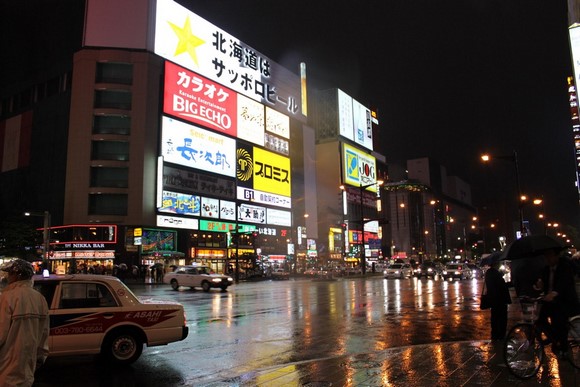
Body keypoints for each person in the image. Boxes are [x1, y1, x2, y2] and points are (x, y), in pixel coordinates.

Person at [0, 259, 49, 387]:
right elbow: (44, 331)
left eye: (10, 273)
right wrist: (41, 356)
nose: (8, 276)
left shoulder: (6, 298)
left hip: (6, 364)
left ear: (17, 275)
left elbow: (1, 333)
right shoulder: (40, 299)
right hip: (28, 364)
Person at [533, 247, 580, 357]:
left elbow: (564, 284)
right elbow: (541, 282)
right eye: (546, 256)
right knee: (540, 320)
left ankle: (562, 348)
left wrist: (554, 293)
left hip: (564, 301)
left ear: (556, 256)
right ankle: (554, 338)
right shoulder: (546, 269)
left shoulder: (565, 267)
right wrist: (538, 285)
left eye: (550, 255)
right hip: (550, 301)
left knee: (560, 323)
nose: (548, 258)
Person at [484, 258, 512, 341]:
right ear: (496, 263)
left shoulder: (489, 273)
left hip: (494, 299)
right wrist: (509, 283)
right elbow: (500, 286)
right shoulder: (495, 273)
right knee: (501, 318)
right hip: (499, 300)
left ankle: (495, 334)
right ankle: (501, 335)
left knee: (495, 318)